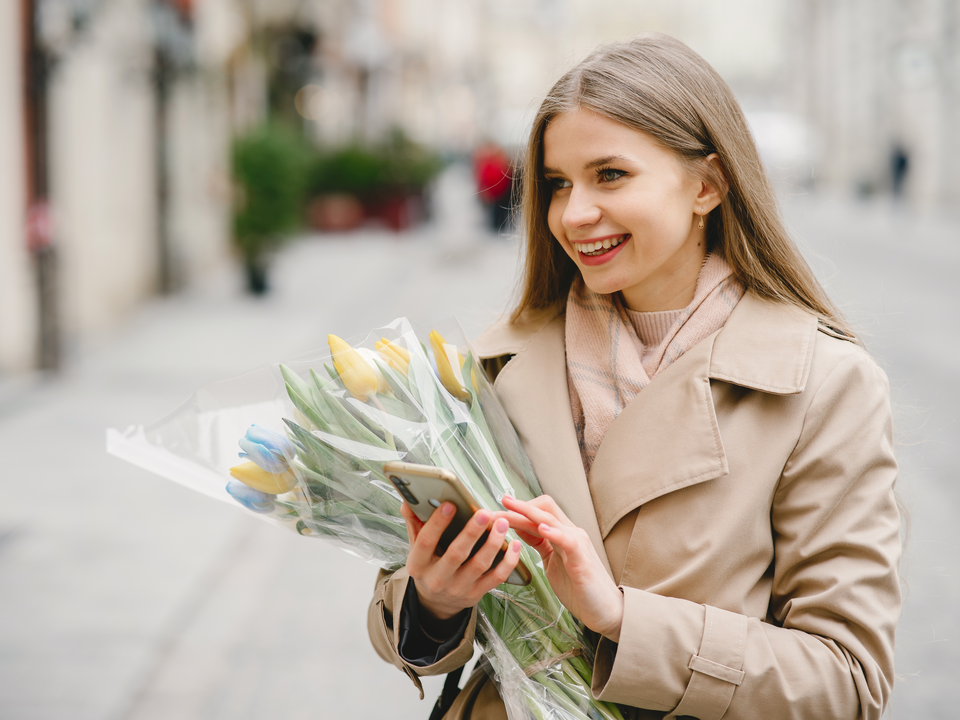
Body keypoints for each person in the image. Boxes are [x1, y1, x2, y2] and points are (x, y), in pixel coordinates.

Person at [368, 34, 901, 720]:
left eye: (610, 175)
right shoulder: (492, 368)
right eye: (559, 183)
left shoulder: (822, 385)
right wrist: (434, 602)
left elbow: (846, 682)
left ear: (708, 184)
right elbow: (407, 628)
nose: (574, 213)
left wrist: (623, 620)